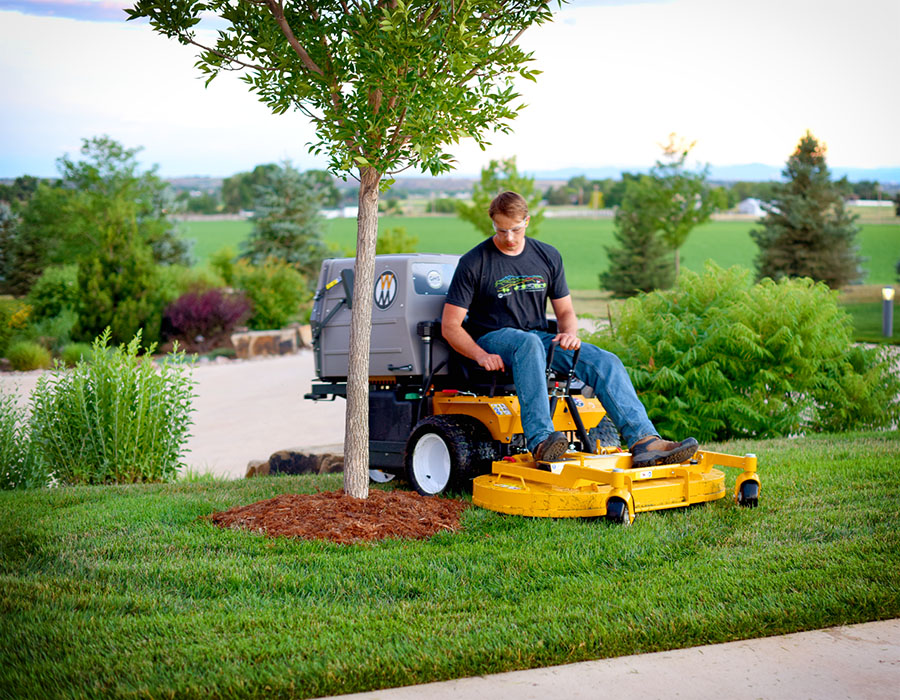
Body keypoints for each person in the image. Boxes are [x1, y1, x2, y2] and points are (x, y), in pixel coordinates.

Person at [442, 191, 698, 468]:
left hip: (537, 339)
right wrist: (480, 354)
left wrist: (569, 334)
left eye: (515, 229)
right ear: (493, 224)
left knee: (605, 361)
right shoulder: (473, 263)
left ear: (527, 221)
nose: (509, 238)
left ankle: (645, 441)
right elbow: (450, 326)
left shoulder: (547, 256)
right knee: (526, 343)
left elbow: (565, 312)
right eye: (501, 230)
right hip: (493, 339)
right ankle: (541, 441)